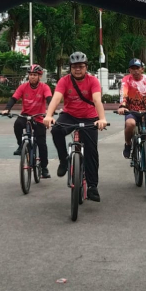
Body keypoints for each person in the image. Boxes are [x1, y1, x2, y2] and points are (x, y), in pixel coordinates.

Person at [43, 51, 108, 202]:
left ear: (86, 67)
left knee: (91, 151)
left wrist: (102, 118)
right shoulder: (64, 81)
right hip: (70, 115)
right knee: (57, 130)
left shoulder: (93, 81)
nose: (77, 69)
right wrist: (48, 115)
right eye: (74, 67)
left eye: (80, 66)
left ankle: (92, 187)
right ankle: (63, 161)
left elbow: (97, 100)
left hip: (89, 117)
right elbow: (56, 98)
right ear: (70, 68)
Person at [0, 64, 53, 178]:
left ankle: (44, 167)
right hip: (25, 115)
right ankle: (21, 145)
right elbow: (13, 98)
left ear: (39, 76)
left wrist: (50, 113)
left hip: (39, 117)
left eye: (35, 75)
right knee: (17, 124)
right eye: (30, 75)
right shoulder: (23, 87)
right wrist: (6, 109)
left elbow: (50, 99)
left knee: (42, 143)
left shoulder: (45, 87)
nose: (32, 77)